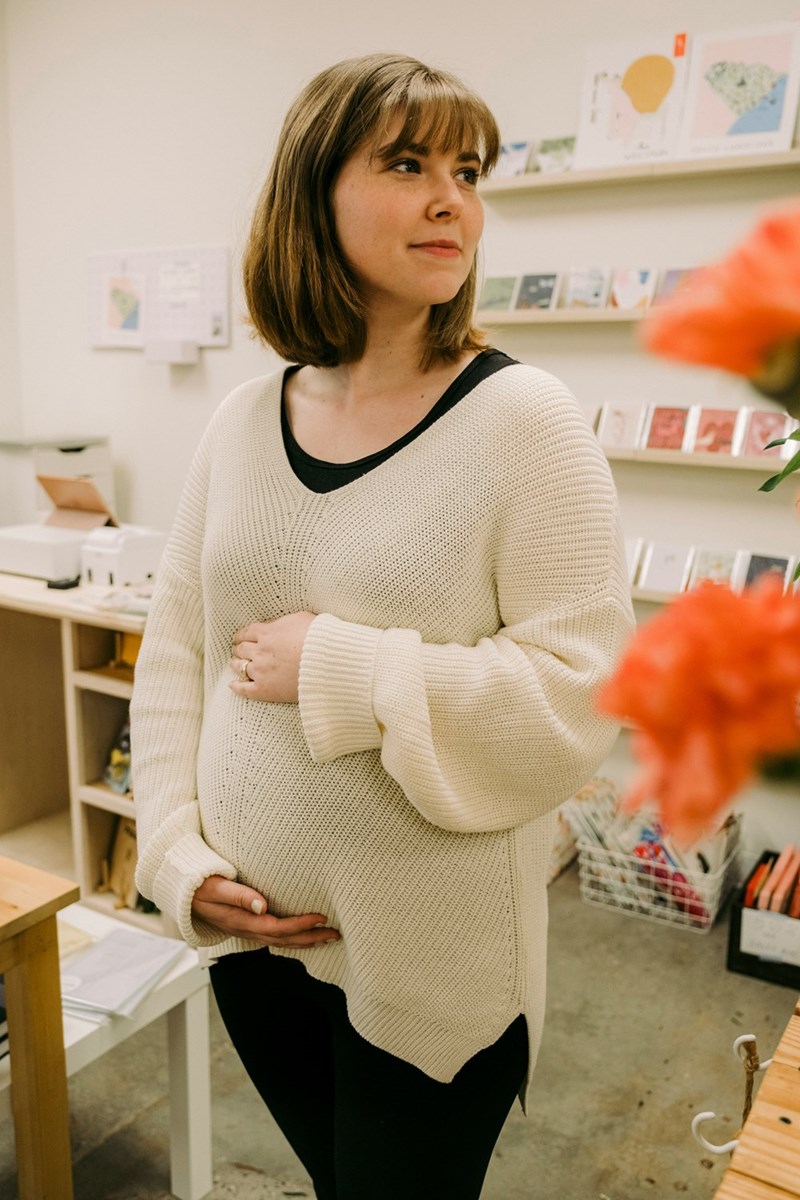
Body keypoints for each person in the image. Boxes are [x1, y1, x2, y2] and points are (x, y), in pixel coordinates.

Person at [130, 52, 634, 1200]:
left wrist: (343, 670)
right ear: (313, 191)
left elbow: (578, 693)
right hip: (257, 950)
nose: (450, 196)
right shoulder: (243, 417)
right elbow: (179, 649)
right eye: (406, 163)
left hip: (430, 983)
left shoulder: (523, 420)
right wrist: (173, 855)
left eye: (466, 168)